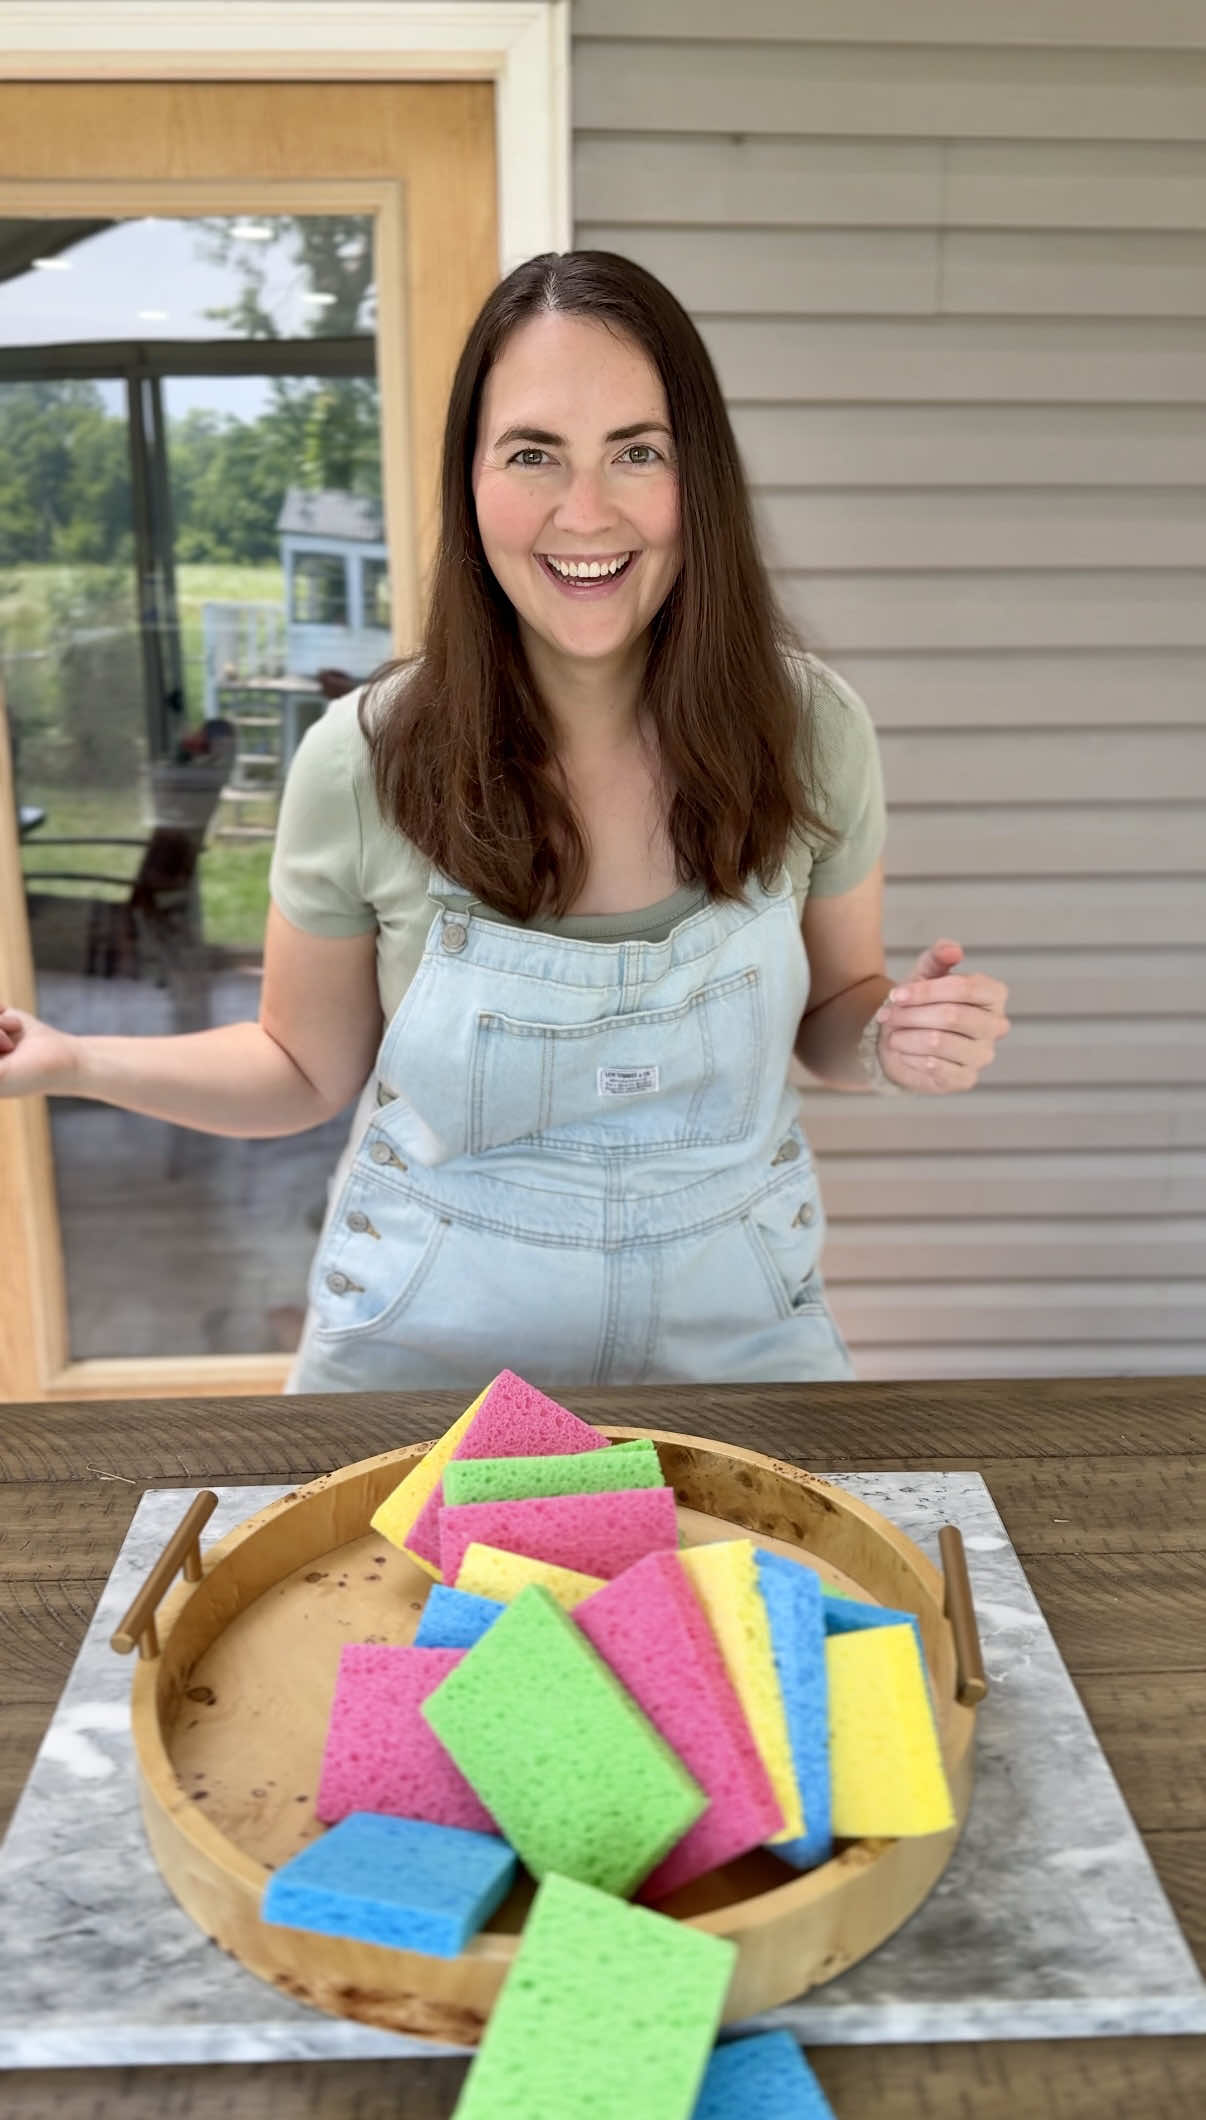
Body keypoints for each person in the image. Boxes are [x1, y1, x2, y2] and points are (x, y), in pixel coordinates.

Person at [0, 250, 1009, 1393]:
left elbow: (834, 1012)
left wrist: (893, 1035)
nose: (586, 512)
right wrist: (72, 1059)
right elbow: (299, 1063)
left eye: (638, 451)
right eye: (534, 453)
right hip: (426, 1345)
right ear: (470, 478)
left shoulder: (812, 728)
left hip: (741, 1334)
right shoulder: (365, 759)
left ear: (701, 477)